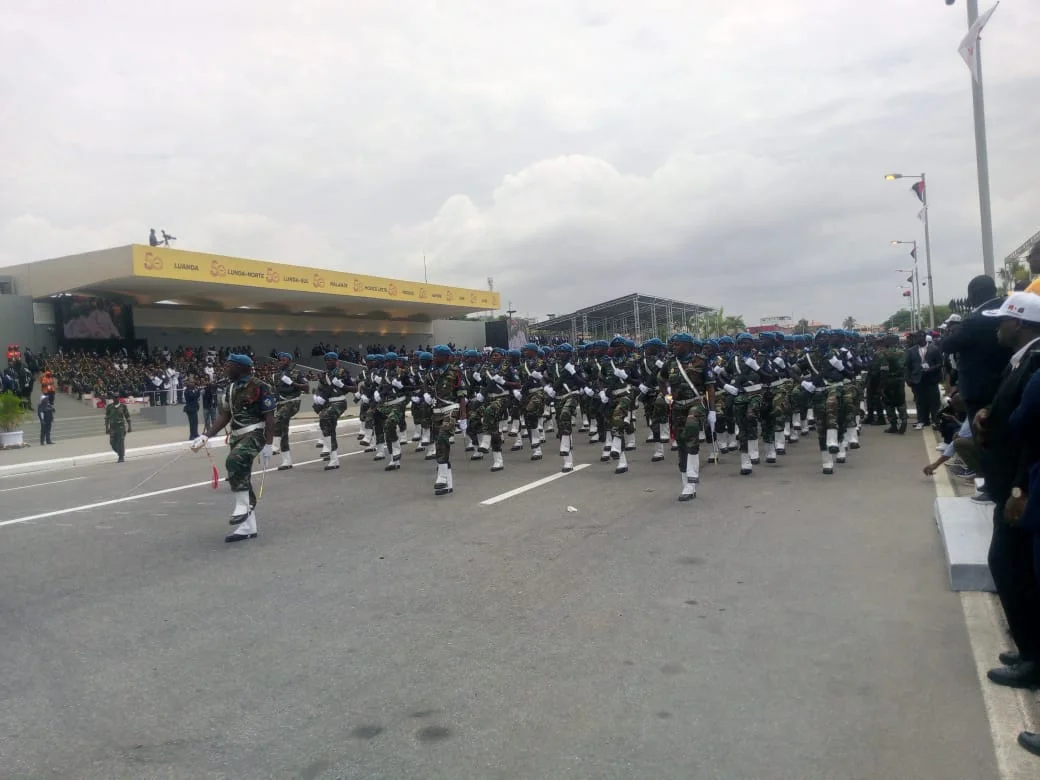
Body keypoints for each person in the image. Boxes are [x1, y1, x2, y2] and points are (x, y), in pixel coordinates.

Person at [971, 294, 1040, 696]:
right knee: (1014, 569)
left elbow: (1030, 433)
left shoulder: (1034, 361)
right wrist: (986, 415)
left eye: (1003, 322)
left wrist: (1018, 488)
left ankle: (1033, 658)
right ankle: (1029, 649)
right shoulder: (1023, 359)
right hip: (1012, 484)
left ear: (1020, 324)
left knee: (1013, 569)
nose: (998, 327)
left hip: (1021, 486)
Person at [190, 354, 275, 543]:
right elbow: (224, 416)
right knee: (241, 474)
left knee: (234, 461)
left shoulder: (259, 386)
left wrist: (269, 444)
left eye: (229, 365)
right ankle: (248, 526)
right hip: (237, 436)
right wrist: (205, 436)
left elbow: (270, 417)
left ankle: (243, 507)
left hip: (255, 433)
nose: (226, 368)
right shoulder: (229, 389)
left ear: (241, 367)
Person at [905, 332, 942, 429]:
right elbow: (908, 367)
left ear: (924, 337)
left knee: (934, 401)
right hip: (917, 379)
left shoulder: (934, 349)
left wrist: (931, 369)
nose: (916, 339)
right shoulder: (911, 351)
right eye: (915, 337)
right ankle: (921, 420)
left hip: (931, 379)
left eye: (918, 337)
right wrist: (908, 379)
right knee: (920, 401)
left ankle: (935, 421)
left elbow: (939, 364)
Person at [104, 395, 131, 463]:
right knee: (112, 442)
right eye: (114, 397)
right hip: (112, 427)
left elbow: (127, 417)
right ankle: (120, 453)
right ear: (112, 398)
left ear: (119, 398)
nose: (115, 398)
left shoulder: (123, 406)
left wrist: (129, 427)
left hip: (120, 427)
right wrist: (107, 428)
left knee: (120, 442)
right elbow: (107, 418)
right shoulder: (109, 407)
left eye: (117, 397)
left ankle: (121, 457)